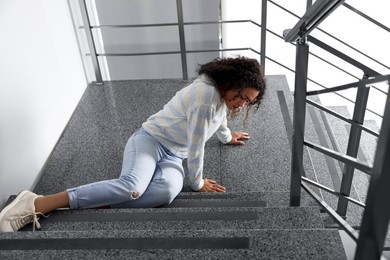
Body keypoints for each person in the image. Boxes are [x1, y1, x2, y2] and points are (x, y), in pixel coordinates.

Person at [0, 56, 266, 232]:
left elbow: (219, 119)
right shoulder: (206, 98)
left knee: (165, 193)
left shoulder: (219, 96)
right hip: (150, 141)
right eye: (241, 95)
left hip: (173, 157)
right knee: (132, 187)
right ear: (230, 82)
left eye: (248, 101)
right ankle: (37, 203)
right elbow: (197, 147)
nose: (242, 103)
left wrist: (227, 136)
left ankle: (99, 200)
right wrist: (197, 184)